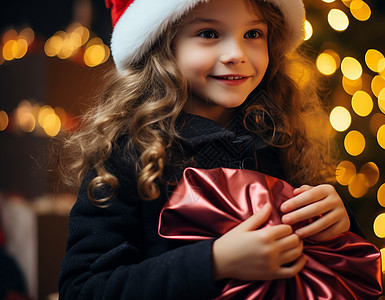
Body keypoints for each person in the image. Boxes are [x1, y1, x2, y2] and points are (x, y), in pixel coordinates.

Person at [58, 0, 368, 299]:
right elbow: (83, 288)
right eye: (209, 34)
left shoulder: (279, 139)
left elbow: (335, 273)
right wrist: (214, 261)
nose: (236, 53)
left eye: (253, 34)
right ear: (163, 47)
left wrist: (339, 225)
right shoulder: (127, 155)